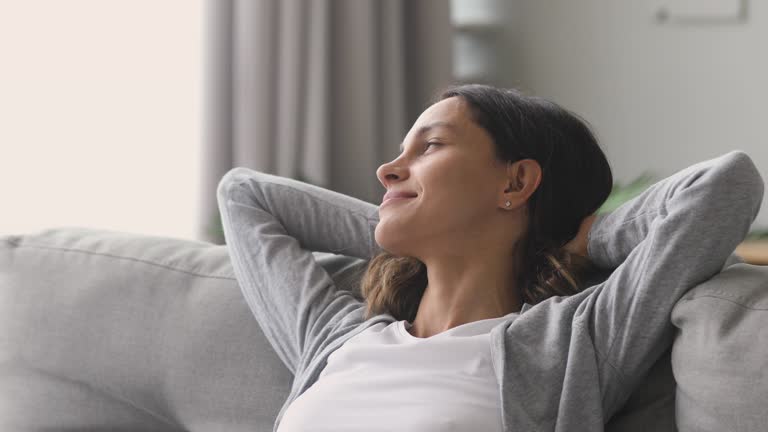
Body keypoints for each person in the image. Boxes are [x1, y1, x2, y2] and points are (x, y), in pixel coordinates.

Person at [216, 84, 764, 431]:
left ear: (517, 180)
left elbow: (725, 184)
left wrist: (574, 238)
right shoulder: (337, 336)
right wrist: (405, 226)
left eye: (429, 146)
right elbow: (244, 194)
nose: (388, 170)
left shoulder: (576, 339)